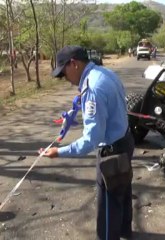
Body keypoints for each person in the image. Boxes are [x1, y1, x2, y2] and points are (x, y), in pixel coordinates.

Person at [39, 45, 134, 240]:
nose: (65, 80)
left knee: (108, 206)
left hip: (111, 153)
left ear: (74, 64)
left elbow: (92, 140)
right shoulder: (105, 73)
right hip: (125, 140)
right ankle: (125, 231)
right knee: (122, 192)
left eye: (63, 73)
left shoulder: (92, 88)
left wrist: (59, 152)